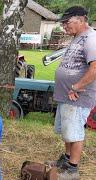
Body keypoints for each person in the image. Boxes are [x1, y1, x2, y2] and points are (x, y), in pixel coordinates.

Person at [51, 6, 96, 179]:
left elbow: (94, 68)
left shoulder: (91, 38)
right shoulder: (78, 37)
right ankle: (67, 158)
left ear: (81, 19)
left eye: (67, 22)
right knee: (67, 130)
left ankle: (72, 168)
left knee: (75, 131)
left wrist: (76, 86)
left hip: (78, 96)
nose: (64, 26)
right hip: (66, 95)